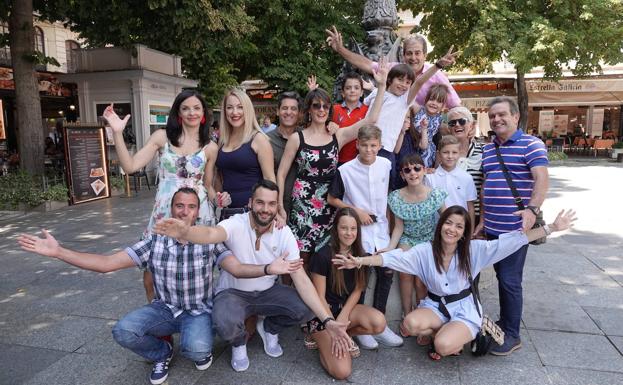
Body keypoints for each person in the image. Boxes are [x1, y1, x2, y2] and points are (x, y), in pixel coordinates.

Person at [16, 188, 302, 385]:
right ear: (171, 208)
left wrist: (269, 268)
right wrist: (59, 252)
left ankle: (195, 344)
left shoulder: (209, 242)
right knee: (123, 330)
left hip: (198, 311)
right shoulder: (154, 241)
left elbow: (237, 268)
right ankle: (161, 354)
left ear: (197, 212)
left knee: (198, 352)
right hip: (165, 309)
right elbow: (106, 263)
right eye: (180, 206)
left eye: (191, 207)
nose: (185, 211)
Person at [153, 180, 352, 373]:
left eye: (271, 204)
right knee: (223, 320)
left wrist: (327, 321)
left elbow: (301, 279)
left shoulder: (284, 233)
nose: (265, 209)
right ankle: (239, 343)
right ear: (250, 203)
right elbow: (210, 234)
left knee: (307, 307)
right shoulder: (235, 223)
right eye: (260, 202)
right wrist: (186, 231)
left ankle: (269, 327)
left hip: (268, 292)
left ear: (277, 207)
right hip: (233, 292)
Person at [334, 206, 576, 360]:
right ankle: (450, 334)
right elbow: (392, 257)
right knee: (410, 324)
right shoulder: (425, 252)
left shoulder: (475, 250)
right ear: (441, 226)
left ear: (464, 232)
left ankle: (469, 330)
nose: (452, 229)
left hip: (464, 308)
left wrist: (551, 227)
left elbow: (512, 242)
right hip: (436, 306)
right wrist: (360, 261)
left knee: (441, 346)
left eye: (459, 226)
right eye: (448, 223)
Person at [102, 90, 225, 303]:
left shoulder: (211, 147)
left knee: (198, 268)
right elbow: (130, 166)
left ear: (203, 113)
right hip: (165, 211)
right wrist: (118, 133)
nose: (191, 113)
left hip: (199, 212)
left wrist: (218, 199)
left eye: (196, 108)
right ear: (178, 112)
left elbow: (208, 185)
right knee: (151, 270)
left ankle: (197, 313)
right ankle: (158, 315)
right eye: (185, 108)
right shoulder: (162, 137)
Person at [276, 62, 389, 266]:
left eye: (325, 106)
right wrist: (280, 207)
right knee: (300, 257)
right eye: (316, 105)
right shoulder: (297, 138)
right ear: (309, 109)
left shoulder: (338, 134)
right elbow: (282, 174)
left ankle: (320, 296)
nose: (321, 110)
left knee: (325, 257)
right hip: (303, 204)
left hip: (330, 203)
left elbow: (371, 118)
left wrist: (381, 86)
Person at [473, 96, 549, 355]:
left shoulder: (531, 145)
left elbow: (541, 180)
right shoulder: (488, 148)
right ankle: (505, 323)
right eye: (493, 116)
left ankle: (513, 335)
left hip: (516, 230)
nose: (497, 119)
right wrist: (483, 219)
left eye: (502, 114)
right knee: (501, 277)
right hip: (492, 228)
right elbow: (486, 186)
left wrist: (532, 209)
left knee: (509, 280)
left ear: (516, 117)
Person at [327, 124, 403, 349]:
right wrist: (355, 211)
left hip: (382, 229)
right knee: (360, 277)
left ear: (380, 146)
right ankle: (362, 329)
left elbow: (393, 194)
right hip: (357, 232)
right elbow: (332, 199)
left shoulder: (387, 164)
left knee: (386, 273)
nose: (369, 150)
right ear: (357, 144)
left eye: (373, 146)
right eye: (365, 145)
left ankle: (380, 324)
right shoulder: (345, 170)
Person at [359, 48, 458, 189]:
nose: (403, 85)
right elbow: (362, 110)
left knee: (387, 188)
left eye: (407, 82)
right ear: (390, 80)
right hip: (367, 145)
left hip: (386, 149)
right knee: (365, 186)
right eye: (400, 80)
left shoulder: (404, 100)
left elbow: (419, 82)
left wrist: (438, 65)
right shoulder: (377, 92)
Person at [309, 208, 387, 379]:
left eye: (353, 228)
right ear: (336, 228)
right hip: (322, 315)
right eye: (344, 228)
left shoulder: (361, 256)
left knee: (379, 323)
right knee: (342, 372)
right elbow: (318, 297)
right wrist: (332, 326)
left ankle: (345, 334)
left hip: (344, 310)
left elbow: (358, 289)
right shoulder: (322, 256)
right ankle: (319, 340)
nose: (349, 233)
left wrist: (343, 318)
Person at [325, 26, 461, 109]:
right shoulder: (395, 69)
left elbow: (455, 106)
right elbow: (366, 63)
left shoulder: (436, 75)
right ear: (403, 55)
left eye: (417, 53)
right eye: (409, 53)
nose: (413, 58)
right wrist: (340, 49)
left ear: (424, 55)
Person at [386, 153, 447, 331]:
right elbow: (398, 227)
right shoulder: (397, 197)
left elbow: (446, 218)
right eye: (408, 170)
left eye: (417, 168)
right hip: (408, 238)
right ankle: (407, 313)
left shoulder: (435, 194)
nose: (413, 173)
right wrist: (391, 247)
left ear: (425, 171)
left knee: (421, 280)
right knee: (405, 273)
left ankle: (423, 316)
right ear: (402, 175)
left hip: (429, 239)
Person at [215, 88, 275, 220]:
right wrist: (218, 197)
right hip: (227, 213)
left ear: (247, 110)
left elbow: (270, 180)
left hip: (251, 213)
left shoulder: (259, 139)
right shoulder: (222, 141)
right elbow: (219, 177)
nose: (234, 112)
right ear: (224, 112)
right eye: (230, 107)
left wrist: (273, 211)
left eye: (240, 107)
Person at [426, 135, 477, 227]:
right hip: (436, 228)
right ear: (438, 154)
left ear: (459, 154)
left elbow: (470, 206)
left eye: (454, 152)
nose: (450, 156)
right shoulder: (430, 177)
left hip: (460, 228)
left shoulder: (466, 177)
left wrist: (471, 230)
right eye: (446, 152)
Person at [267, 91, 302, 216]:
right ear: (277, 111)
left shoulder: (307, 137)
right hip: (276, 206)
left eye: (293, 109)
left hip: (303, 205)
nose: (289, 112)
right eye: (284, 108)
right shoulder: (266, 140)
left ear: (299, 113)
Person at [447, 106, 484, 224]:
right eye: (452, 123)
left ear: (471, 126)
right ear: (449, 128)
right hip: (449, 215)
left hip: (478, 216)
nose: (457, 125)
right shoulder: (443, 154)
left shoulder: (484, 151)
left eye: (462, 121)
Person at [331, 72, 369, 165]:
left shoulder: (368, 111)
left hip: (358, 161)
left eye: (356, 88)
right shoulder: (334, 109)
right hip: (336, 160)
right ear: (343, 93)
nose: (352, 90)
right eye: (348, 88)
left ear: (361, 93)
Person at [408, 84, 449, 168]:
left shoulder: (440, 119)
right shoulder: (418, 110)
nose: (434, 103)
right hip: (413, 145)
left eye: (439, 101)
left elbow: (450, 130)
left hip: (428, 152)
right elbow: (407, 99)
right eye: (431, 99)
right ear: (425, 100)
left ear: (443, 106)